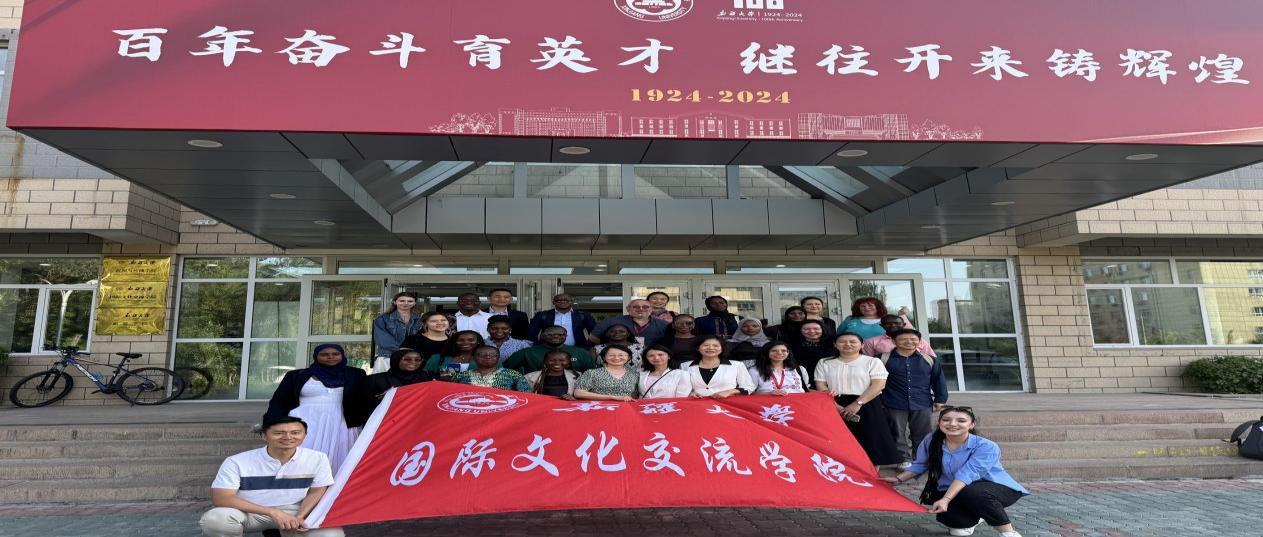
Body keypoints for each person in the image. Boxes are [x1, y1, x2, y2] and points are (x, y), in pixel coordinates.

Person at [886, 407, 1029, 537]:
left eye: (961, 421)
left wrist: (946, 499)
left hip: (994, 488)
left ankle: (1008, 532)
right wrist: (899, 479)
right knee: (955, 525)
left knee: (973, 492)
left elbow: (966, 474)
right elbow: (921, 464)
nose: (953, 424)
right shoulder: (931, 440)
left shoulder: (986, 446)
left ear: (972, 425)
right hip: (957, 490)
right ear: (939, 423)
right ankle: (979, 513)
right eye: (946, 420)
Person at [200, 416, 344, 537]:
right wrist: (273, 512)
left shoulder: (318, 458)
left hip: (294, 510)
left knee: (332, 534)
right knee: (215, 520)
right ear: (264, 435)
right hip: (250, 512)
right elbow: (222, 498)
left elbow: (317, 491)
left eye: (295, 432)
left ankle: (286, 532)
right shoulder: (236, 461)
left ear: (305, 435)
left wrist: (300, 516)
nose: (288, 437)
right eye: (279, 433)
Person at [263, 344, 365, 473]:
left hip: (342, 421)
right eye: (324, 354)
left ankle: (334, 485)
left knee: (341, 457)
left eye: (335, 354)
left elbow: (367, 395)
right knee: (303, 454)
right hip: (306, 421)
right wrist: (270, 423)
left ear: (342, 355)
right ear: (316, 356)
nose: (330, 357)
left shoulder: (356, 374)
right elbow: (279, 400)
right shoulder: (297, 375)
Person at [814, 333, 902, 466]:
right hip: (833, 403)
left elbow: (878, 384)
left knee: (872, 441)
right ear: (835, 345)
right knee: (839, 441)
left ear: (862, 345)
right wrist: (836, 406)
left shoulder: (872, 361)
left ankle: (872, 474)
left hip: (867, 402)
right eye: (842, 341)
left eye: (853, 341)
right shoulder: (825, 362)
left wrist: (858, 403)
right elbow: (820, 385)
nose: (848, 344)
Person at [882, 327, 950, 468]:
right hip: (892, 401)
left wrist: (940, 399)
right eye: (903, 339)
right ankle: (903, 460)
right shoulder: (882, 358)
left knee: (923, 433)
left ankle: (920, 460)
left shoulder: (929, 359)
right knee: (896, 432)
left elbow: (938, 380)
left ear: (919, 342)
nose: (909, 342)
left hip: (922, 402)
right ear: (894, 341)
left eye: (913, 339)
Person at [346, 348, 434, 427]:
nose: (413, 362)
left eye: (417, 359)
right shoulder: (375, 380)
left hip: (418, 424)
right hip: (387, 426)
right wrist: (380, 399)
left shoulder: (426, 379)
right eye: (407, 359)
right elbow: (360, 405)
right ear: (396, 360)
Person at [683, 335, 755, 398]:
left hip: (727, 403)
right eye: (706, 345)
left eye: (715, 346)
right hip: (696, 404)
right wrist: (690, 394)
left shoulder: (737, 365)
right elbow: (682, 388)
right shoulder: (685, 366)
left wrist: (729, 392)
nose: (711, 348)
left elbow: (749, 386)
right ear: (698, 348)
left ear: (722, 349)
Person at [505, 326, 596, 374]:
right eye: (550, 334)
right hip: (536, 390)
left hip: (573, 391)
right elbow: (506, 368)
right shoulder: (527, 352)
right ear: (542, 336)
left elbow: (591, 374)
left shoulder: (581, 353)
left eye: (561, 334)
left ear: (566, 336)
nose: (556, 336)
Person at [370, 292, 423, 373]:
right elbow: (381, 339)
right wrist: (402, 349)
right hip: (388, 357)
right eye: (402, 301)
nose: (406, 303)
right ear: (395, 302)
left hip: (412, 359)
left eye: (410, 301)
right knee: (386, 381)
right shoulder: (383, 319)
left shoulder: (419, 321)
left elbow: (422, 338)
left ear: (414, 303)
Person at [528, 293, 597, 349]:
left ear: (572, 302)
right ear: (553, 302)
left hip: (576, 350)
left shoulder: (583, 315)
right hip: (547, 350)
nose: (562, 302)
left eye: (566, 300)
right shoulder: (543, 315)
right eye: (558, 300)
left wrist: (589, 347)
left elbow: (595, 333)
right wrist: (537, 348)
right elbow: (532, 334)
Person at [591, 299, 671, 347]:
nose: (641, 309)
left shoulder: (663, 324)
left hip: (653, 359)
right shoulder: (610, 321)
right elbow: (593, 338)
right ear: (628, 309)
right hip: (617, 358)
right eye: (636, 306)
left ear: (651, 310)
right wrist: (611, 347)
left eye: (645, 307)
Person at [573, 344, 639, 401]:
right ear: (604, 357)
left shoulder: (635, 375)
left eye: (621, 355)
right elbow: (578, 393)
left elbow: (637, 395)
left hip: (626, 408)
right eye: (611, 355)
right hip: (598, 407)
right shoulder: (592, 373)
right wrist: (612, 397)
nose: (616, 358)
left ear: (629, 357)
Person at [452, 346, 531, 392]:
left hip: (503, 412)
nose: (488, 356)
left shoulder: (513, 374)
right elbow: (449, 392)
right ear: (474, 358)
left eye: (493, 354)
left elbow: (527, 396)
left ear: (498, 357)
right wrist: (453, 365)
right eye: (482, 354)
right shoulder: (461, 375)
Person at [863, 314, 938, 358]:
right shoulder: (871, 342)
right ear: (882, 326)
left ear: (904, 325)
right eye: (888, 323)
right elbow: (868, 362)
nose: (893, 325)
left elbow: (931, 358)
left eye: (897, 323)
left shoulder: (917, 340)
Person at [839, 297, 911, 341]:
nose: (866, 308)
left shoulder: (888, 320)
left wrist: (902, 315)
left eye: (870, 305)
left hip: (883, 353)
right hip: (854, 354)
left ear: (878, 307)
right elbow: (839, 335)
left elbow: (910, 332)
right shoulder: (850, 319)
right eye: (863, 306)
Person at [791, 319, 834, 384]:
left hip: (829, 377)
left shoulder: (833, 344)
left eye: (816, 329)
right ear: (800, 330)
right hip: (803, 378)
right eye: (806, 329)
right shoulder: (793, 345)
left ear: (822, 329)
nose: (812, 331)